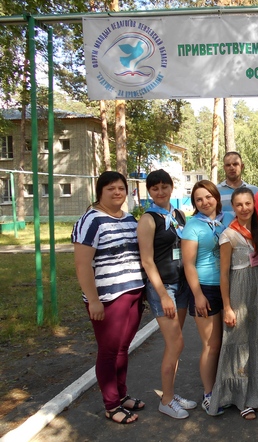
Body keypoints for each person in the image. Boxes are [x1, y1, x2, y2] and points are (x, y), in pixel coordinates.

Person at [72, 171, 145, 425]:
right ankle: (111, 405)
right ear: (100, 192)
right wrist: (93, 300)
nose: (117, 192)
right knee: (108, 351)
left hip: (133, 292)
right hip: (107, 297)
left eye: (121, 188)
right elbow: (82, 265)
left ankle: (122, 394)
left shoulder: (130, 219)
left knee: (123, 348)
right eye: (110, 188)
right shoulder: (90, 221)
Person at [210, 187, 258, 419]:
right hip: (239, 290)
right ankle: (241, 398)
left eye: (248, 203)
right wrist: (227, 307)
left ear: (254, 204)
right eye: (239, 204)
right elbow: (224, 274)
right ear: (233, 207)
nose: (244, 208)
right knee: (238, 342)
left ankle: (256, 394)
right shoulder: (229, 235)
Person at [137, 169, 196, 419]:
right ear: (149, 191)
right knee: (176, 343)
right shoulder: (148, 219)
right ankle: (167, 401)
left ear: (172, 187)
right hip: (164, 288)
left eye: (164, 186)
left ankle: (170, 392)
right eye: (155, 188)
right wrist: (162, 294)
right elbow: (147, 261)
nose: (160, 192)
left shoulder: (178, 214)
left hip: (180, 284)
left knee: (175, 345)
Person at [181, 180, 233, 415]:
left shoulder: (228, 219)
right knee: (211, 345)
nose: (204, 202)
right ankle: (209, 393)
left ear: (217, 197)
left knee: (228, 342)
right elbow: (189, 265)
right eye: (199, 199)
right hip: (205, 289)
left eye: (208, 197)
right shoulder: (192, 226)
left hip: (229, 287)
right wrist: (198, 295)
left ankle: (228, 388)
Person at [217, 151, 258, 219]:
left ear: (242, 166)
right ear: (224, 168)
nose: (232, 168)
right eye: (228, 165)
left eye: (235, 164)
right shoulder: (216, 191)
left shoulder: (255, 191)